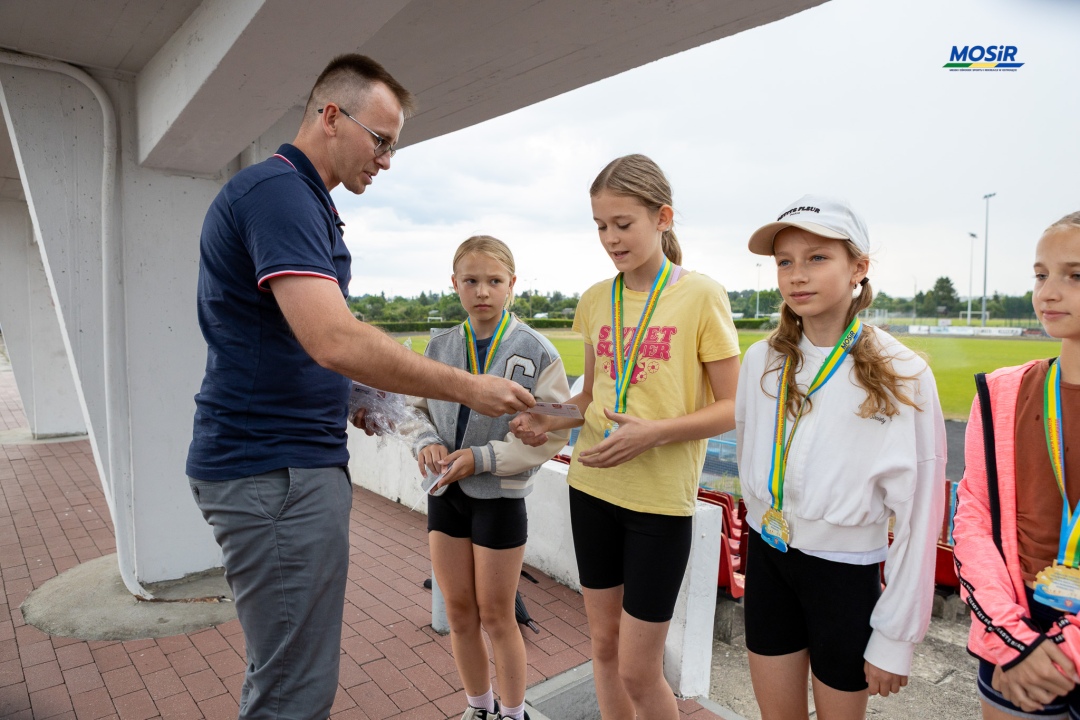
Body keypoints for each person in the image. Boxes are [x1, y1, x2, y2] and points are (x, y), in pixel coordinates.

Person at [185, 55, 533, 720]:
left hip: (275, 464)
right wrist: (468, 388)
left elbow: (281, 338)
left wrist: (356, 398)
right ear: (330, 116)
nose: (387, 159)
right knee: (295, 689)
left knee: (285, 670)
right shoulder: (281, 195)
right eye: (381, 140)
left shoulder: (297, 200)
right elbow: (334, 338)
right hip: (276, 471)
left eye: (394, 145)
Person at [511, 154, 740, 720]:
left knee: (640, 669)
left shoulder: (702, 296)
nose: (611, 238)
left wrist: (656, 434)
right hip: (591, 490)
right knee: (604, 650)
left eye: (623, 224)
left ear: (662, 218)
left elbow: (735, 408)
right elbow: (590, 400)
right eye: (600, 226)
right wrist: (549, 416)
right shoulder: (595, 300)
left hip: (659, 505)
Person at [735, 195, 947, 719]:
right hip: (768, 555)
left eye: (816, 258)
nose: (796, 275)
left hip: (845, 575)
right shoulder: (761, 360)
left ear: (860, 267)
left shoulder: (904, 374)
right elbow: (748, 453)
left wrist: (895, 636)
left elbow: (920, 517)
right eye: (784, 261)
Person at [408, 235, 570, 720]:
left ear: (512, 286)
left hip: (499, 498)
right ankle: (479, 707)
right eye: (471, 280)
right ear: (454, 284)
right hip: (446, 494)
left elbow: (555, 428)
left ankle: (514, 712)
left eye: (494, 281)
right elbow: (412, 410)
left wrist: (481, 458)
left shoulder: (535, 350)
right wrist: (425, 442)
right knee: (459, 611)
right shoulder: (439, 346)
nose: (482, 291)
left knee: (498, 616)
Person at [953, 211, 1080, 720]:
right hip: (1017, 625)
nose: (1048, 292)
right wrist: (1014, 642)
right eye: (1040, 273)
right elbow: (974, 515)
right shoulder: (1005, 392)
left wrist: (1065, 653)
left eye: (1075, 275)